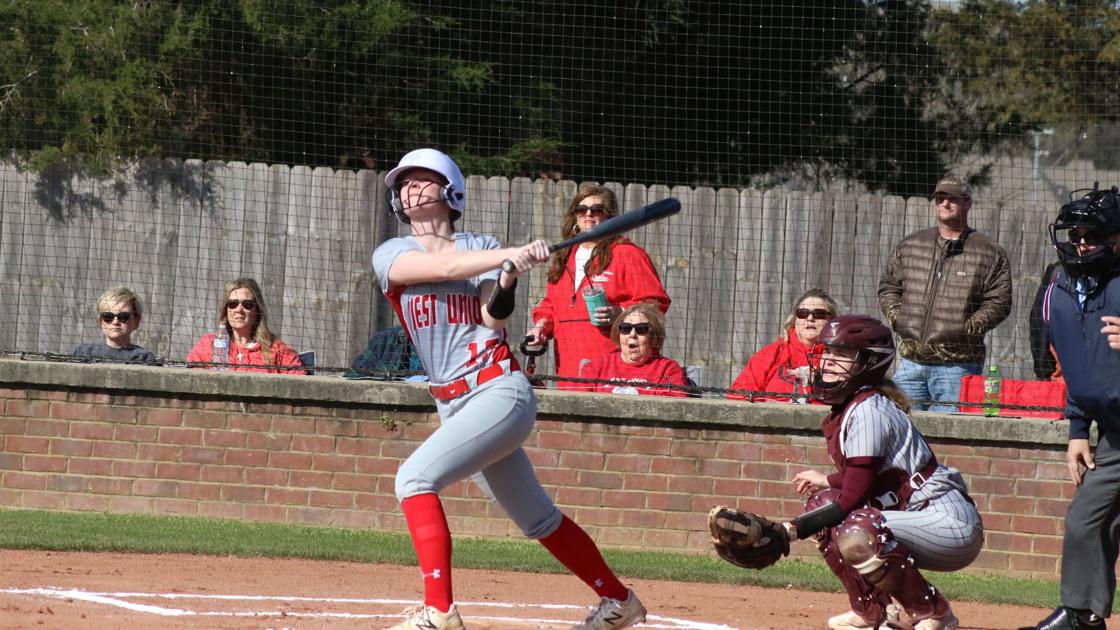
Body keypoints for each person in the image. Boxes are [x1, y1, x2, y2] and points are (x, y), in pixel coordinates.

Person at [372, 148, 646, 630]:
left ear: (451, 191)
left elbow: (492, 317)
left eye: (422, 179)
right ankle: (620, 601)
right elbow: (442, 269)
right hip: (452, 403)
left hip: (497, 391)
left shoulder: (481, 244)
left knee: (412, 480)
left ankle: (438, 612)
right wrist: (506, 255)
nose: (410, 188)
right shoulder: (392, 253)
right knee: (536, 518)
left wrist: (509, 275)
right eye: (404, 183)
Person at [780, 314, 983, 630]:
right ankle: (873, 611)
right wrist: (827, 481)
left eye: (841, 354)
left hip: (948, 522)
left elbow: (852, 497)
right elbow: (872, 477)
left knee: (859, 527)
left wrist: (788, 531)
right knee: (822, 503)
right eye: (827, 352)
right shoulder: (855, 405)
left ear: (870, 362)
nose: (828, 361)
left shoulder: (869, 410)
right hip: (912, 514)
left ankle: (934, 613)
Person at [1023, 186, 1120, 630]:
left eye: (1092, 235)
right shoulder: (1060, 287)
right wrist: (1078, 430)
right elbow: (1079, 366)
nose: (1081, 244)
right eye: (1075, 235)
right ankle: (1082, 615)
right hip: (1114, 433)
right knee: (1087, 521)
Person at [877, 174, 1012, 411]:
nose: (945, 203)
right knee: (900, 423)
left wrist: (967, 328)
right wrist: (898, 319)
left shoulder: (989, 252)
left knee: (951, 432)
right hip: (910, 362)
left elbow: (999, 301)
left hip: (957, 366)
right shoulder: (911, 245)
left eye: (953, 198)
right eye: (940, 198)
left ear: (968, 203)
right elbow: (889, 287)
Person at [525, 185, 670, 389]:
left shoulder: (627, 254)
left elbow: (654, 303)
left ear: (610, 217)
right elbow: (551, 306)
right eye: (581, 209)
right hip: (568, 366)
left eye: (597, 210)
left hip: (614, 367)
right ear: (574, 216)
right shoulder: (565, 257)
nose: (588, 214)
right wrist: (540, 327)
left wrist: (620, 313)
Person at [727, 288, 839, 403]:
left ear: (832, 320)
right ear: (795, 319)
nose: (810, 318)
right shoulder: (772, 354)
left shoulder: (841, 358)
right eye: (803, 313)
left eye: (819, 314)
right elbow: (738, 396)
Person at [185, 278, 305, 374]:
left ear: (257, 311)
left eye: (247, 304)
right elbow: (190, 378)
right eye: (233, 304)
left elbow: (299, 382)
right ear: (226, 310)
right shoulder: (209, 344)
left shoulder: (276, 349)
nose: (239, 309)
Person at [574, 303, 688, 397]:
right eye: (626, 328)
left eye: (641, 329)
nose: (632, 334)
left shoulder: (668, 370)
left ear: (653, 336)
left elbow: (672, 409)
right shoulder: (596, 367)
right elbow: (580, 403)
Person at [71, 286, 157, 363]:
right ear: (101, 321)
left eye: (123, 316)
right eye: (108, 316)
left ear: (136, 321)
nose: (115, 322)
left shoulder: (143, 358)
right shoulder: (82, 353)